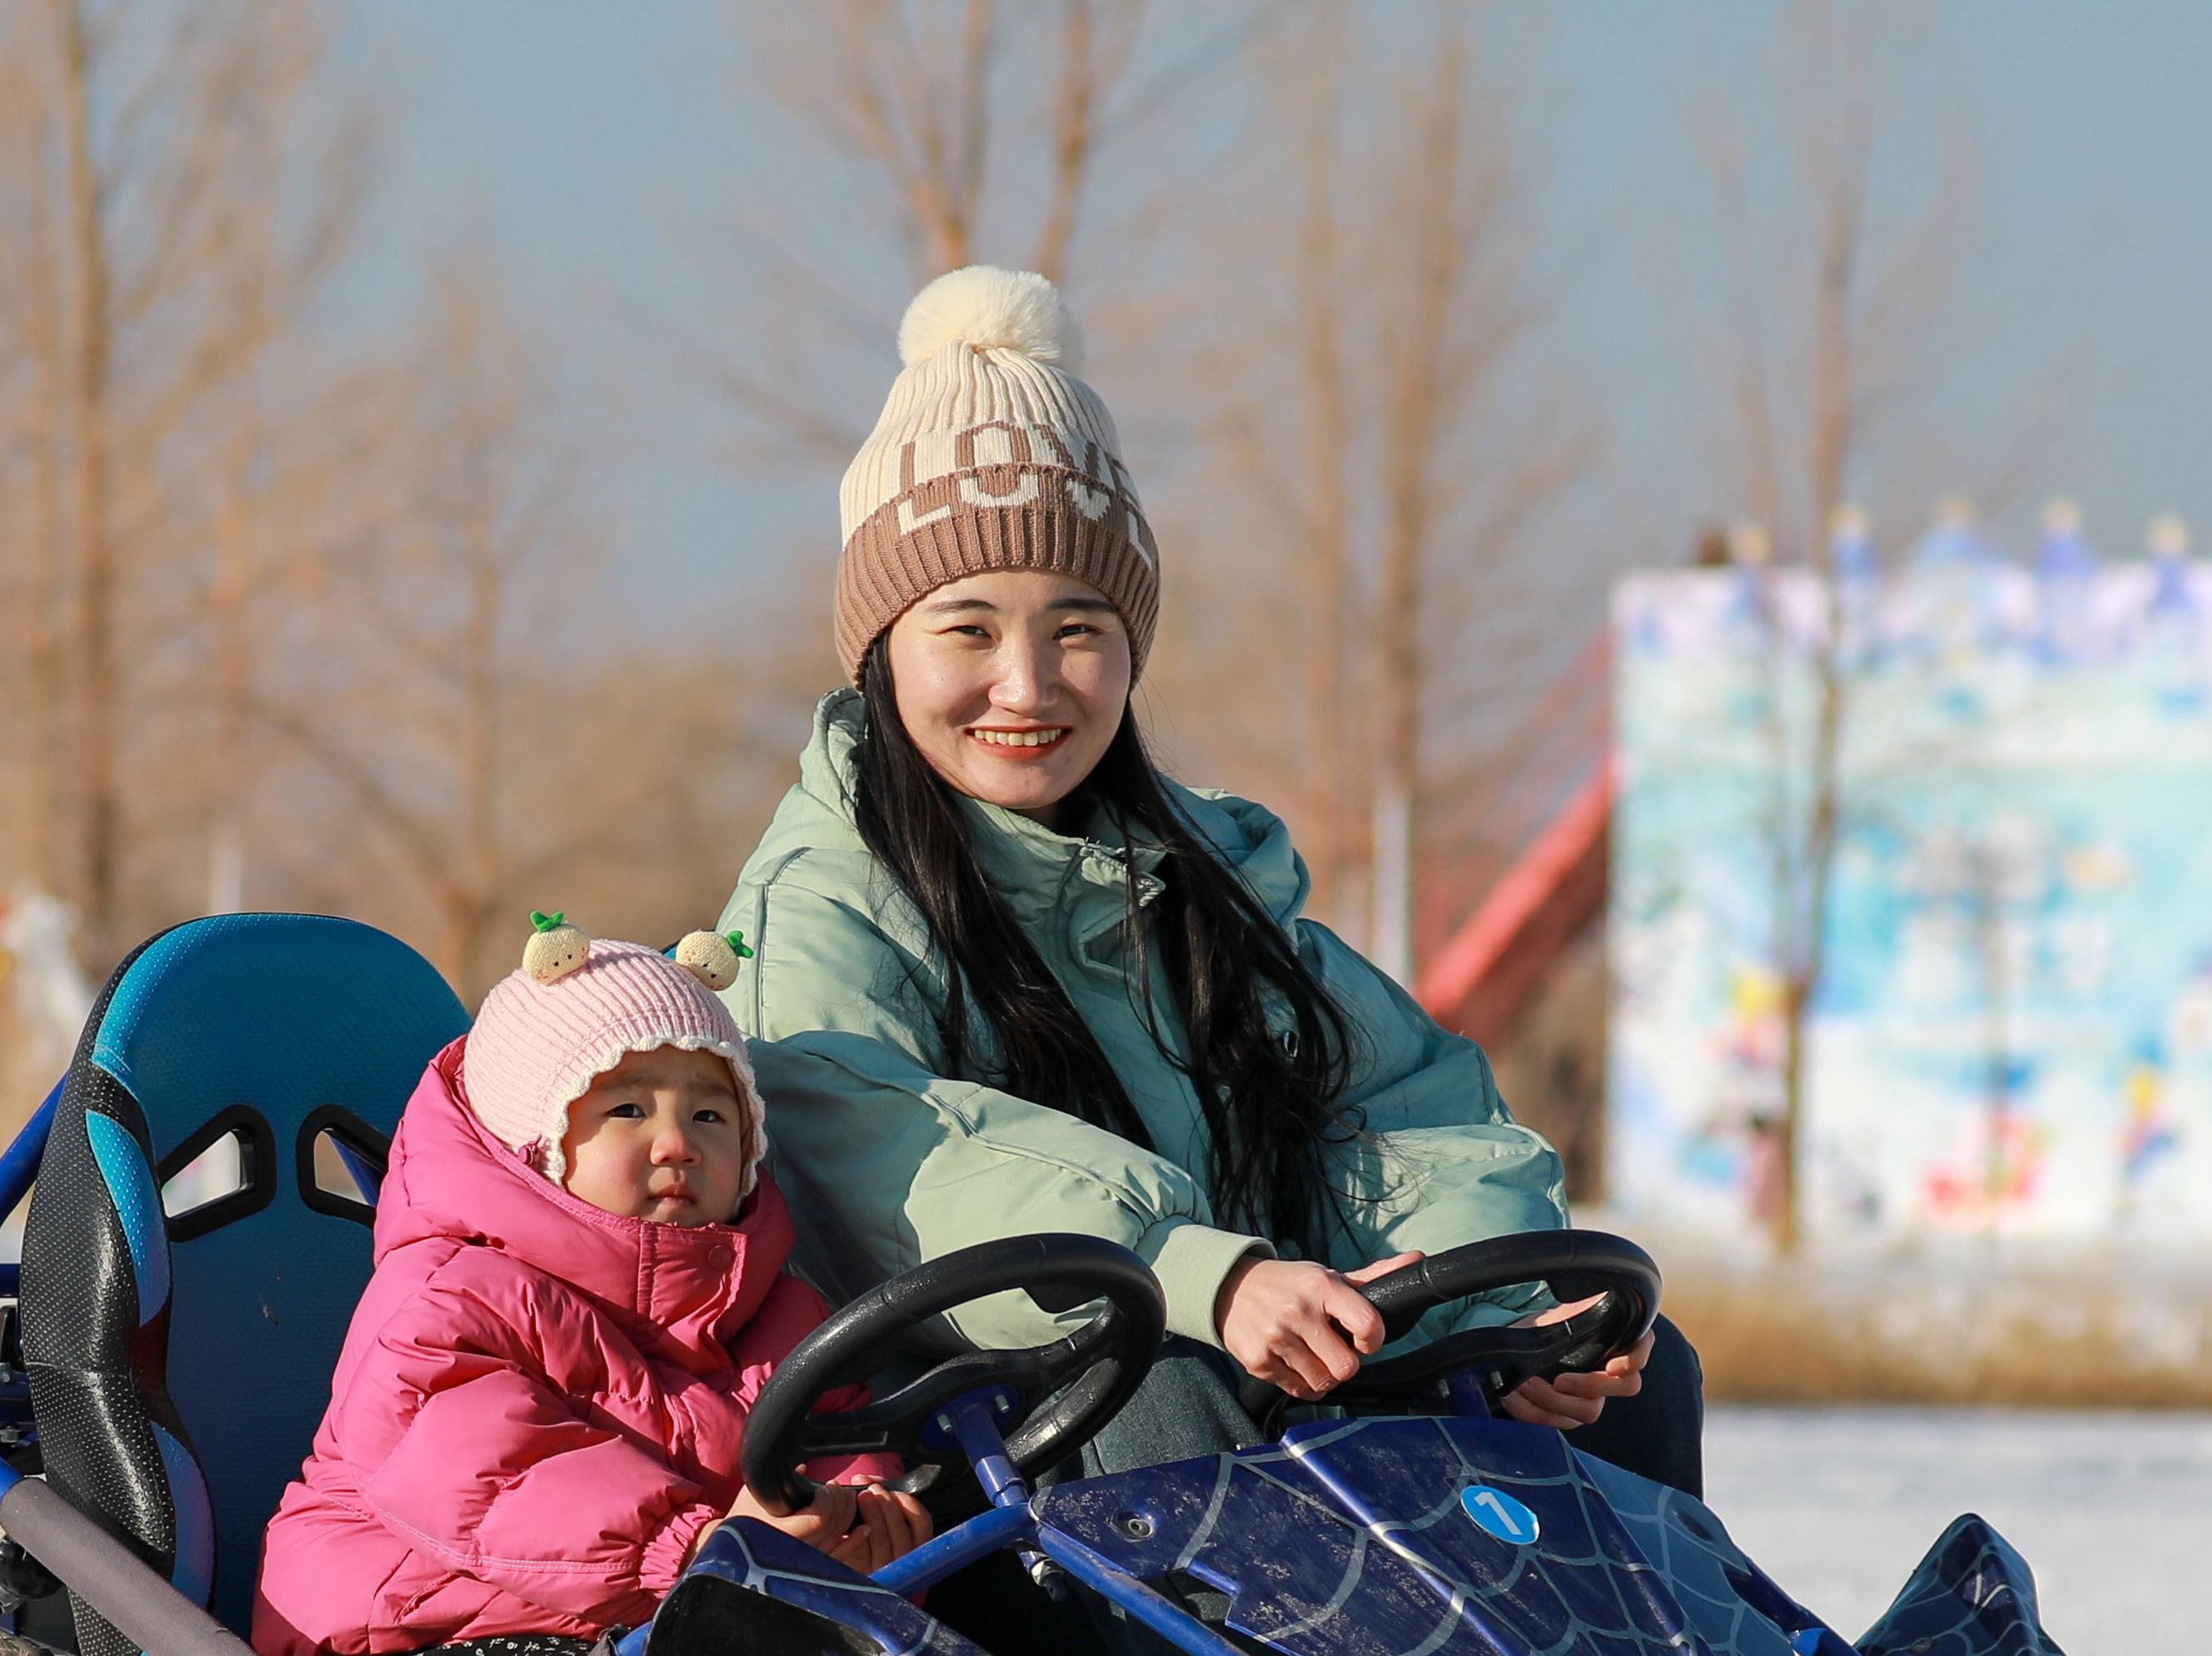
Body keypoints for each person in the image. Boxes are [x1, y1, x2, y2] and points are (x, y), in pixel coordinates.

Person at [720, 264, 1698, 1497]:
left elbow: (1396, 1110)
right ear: (880, 650)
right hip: (967, 1461)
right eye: (967, 629)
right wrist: (1198, 1275)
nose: (1026, 686)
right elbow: (886, 1153)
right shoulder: (819, 906)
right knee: (1145, 1380)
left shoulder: (1208, 886)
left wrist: (1504, 1306)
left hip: (1249, 1379)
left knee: (1633, 1377)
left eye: (1078, 629)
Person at [234, 921, 995, 1656]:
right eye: (627, 1109)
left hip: (686, 1609)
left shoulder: (777, 1305)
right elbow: (486, 1475)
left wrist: (859, 1515)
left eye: (712, 1112)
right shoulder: (448, 1293)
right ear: (536, 1143)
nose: (677, 1141)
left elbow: (834, 1433)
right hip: (431, 1626)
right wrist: (706, 1550)